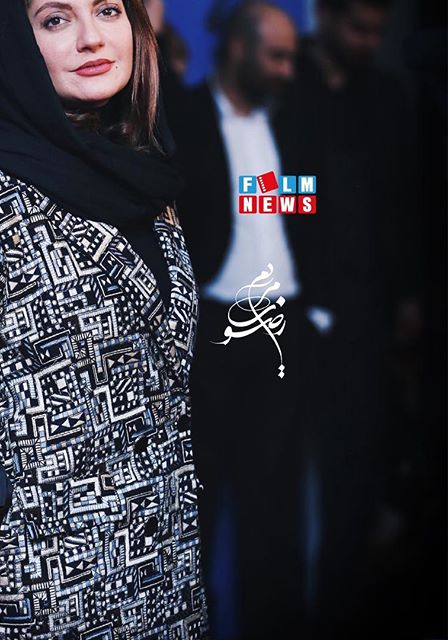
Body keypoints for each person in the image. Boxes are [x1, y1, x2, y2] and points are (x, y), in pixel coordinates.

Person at [0, 0, 210, 638]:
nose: (91, 38)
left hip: (165, 571)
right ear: (17, 44)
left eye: (108, 10)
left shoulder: (148, 182)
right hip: (40, 580)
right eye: (56, 19)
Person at [167, 2, 323, 637]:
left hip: (283, 328)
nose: (288, 70)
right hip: (211, 330)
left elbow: (302, 210)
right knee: (196, 502)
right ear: (237, 49)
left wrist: (319, 307)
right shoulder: (184, 119)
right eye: (277, 56)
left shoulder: (290, 121)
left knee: (275, 502)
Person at [272, 0, 422, 636]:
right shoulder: (283, 85)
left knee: (361, 467)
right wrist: (307, 206)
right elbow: (259, 190)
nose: (368, 41)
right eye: (358, 28)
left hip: (369, 313)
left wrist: (409, 292)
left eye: (378, 32)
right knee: (287, 478)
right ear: (326, 18)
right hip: (293, 308)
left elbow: (409, 197)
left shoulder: (386, 95)